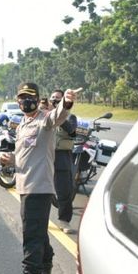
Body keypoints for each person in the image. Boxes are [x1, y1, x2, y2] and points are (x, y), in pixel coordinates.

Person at [0, 82, 77, 274]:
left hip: (38, 188)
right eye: (21, 97)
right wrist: (10, 159)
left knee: (31, 238)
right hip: (25, 186)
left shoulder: (46, 119)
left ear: (37, 98)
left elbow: (59, 115)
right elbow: (25, 154)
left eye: (29, 97)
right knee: (40, 235)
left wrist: (66, 102)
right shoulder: (23, 123)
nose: (25, 101)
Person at [49, 89, 77, 233]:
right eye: (52, 98)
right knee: (39, 188)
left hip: (61, 156)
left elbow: (72, 131)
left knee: (65, 191)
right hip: (45, 156)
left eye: (58, 99)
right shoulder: (44, 115)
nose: (54, 100)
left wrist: (61, 114)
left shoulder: (71, 117)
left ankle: (64, 221)